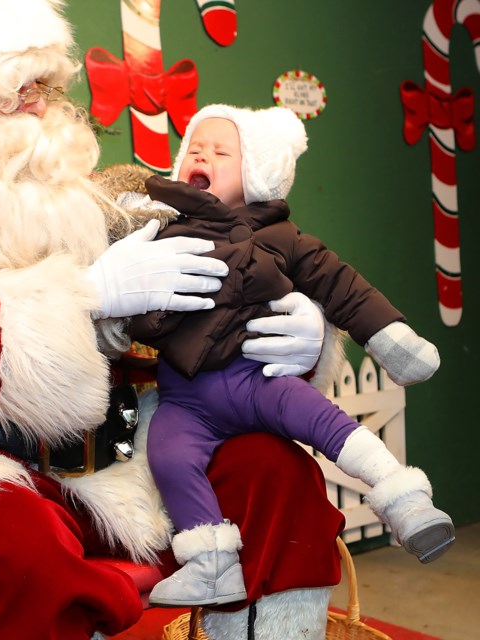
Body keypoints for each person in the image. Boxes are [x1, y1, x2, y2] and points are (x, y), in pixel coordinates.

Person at [0, 2, 346, 638]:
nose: (40, 107)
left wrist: (288, 327)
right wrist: (82, 296)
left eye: (47, 87)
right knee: (16, 548)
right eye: (16, 88)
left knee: (272, 472)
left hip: (114, 451)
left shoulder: (73, 192)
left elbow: (199, 285)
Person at [121, 104, 455, 608]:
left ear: (255, 172)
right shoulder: (162, 230)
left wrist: (390, 338)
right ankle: (212, 564)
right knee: (167, 455)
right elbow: (128, 297)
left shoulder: (281, 236)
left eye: (220, 150)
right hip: (184, 397)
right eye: (194, 147)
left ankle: (405, 499)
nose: (202, 154)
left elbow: (342, 286)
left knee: (327, 423)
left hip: (257, 376)